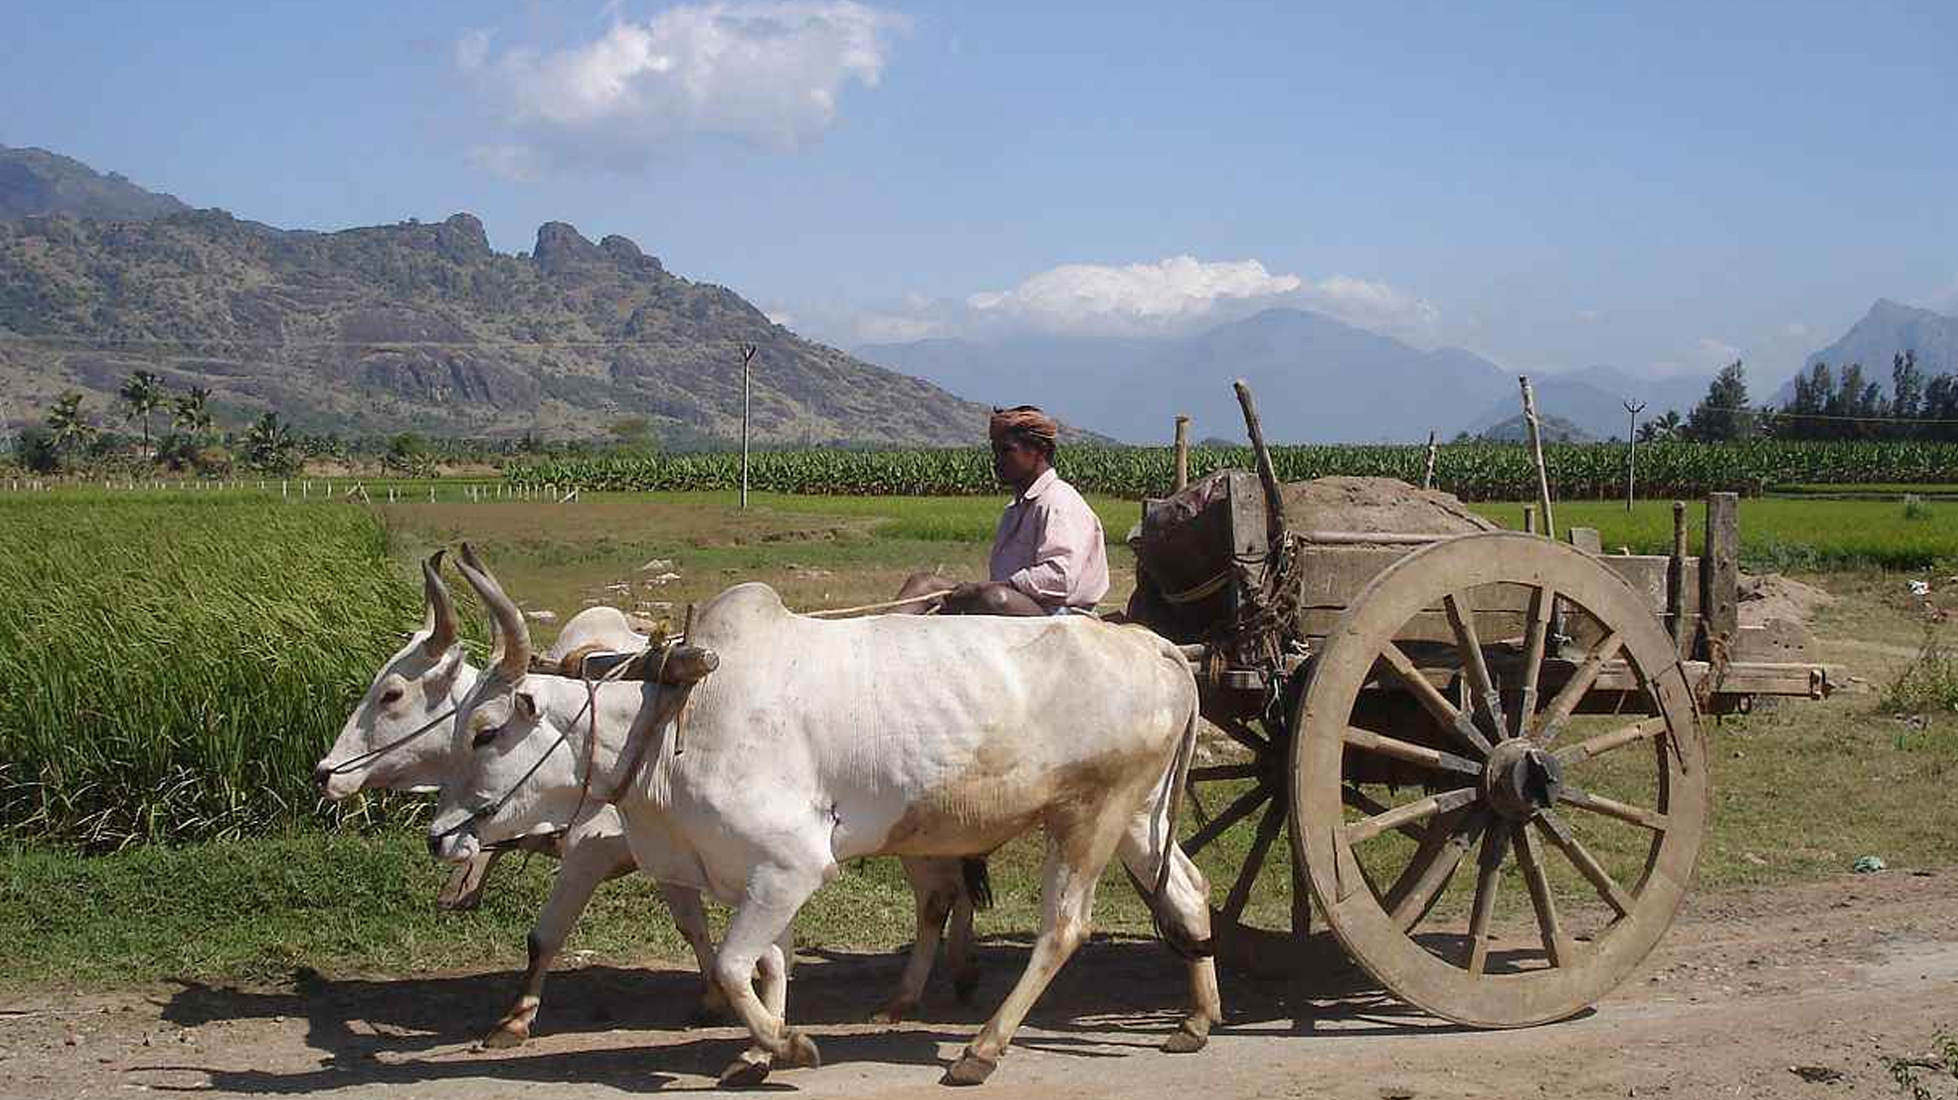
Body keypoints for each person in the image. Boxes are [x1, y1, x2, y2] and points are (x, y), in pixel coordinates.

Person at [896, 406, 1109, 617]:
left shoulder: (1058, 500)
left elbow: (1060, 578)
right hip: (1017, 599)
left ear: (1039, 451)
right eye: (995, 452)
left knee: (996, 598)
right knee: (923, 585)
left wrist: (985, 589)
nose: (996, 461)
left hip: (1059, 613)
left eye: (1006, 451)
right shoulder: (1014, 509)